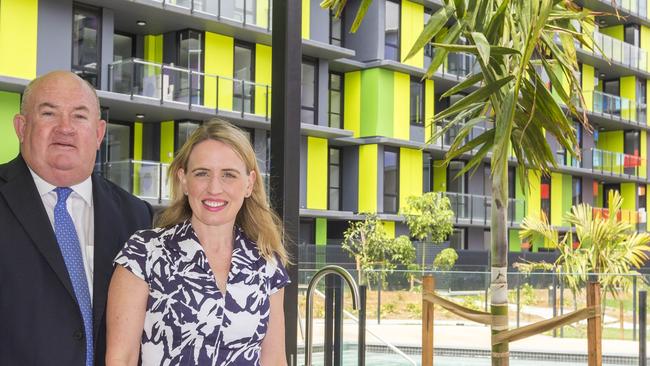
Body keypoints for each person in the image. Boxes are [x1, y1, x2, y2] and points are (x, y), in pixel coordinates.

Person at [0, 70, 154, 366]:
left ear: (99, 133)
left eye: (79, 116)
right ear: (21, 127)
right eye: (48, 114)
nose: (65, 128)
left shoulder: (136, 217)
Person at [106, 119, 290, 366]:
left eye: (228, 175)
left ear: (249, 183)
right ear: (183, 180)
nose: (214, 188)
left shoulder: (266, 261)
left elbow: (274, 360)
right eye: (202, 173)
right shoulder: (144, 253)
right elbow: (121, 358)